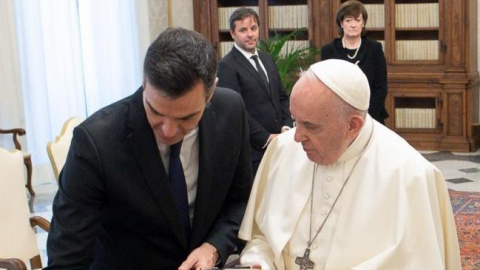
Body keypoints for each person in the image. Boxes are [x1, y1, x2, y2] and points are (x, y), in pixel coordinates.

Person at [45, 27, 253, 270]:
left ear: (210, 93)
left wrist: (213, 248)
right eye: (156, 112)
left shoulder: (231, 111)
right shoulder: (95, 142)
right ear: (144, 83)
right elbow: (67, 258)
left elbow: (240, 201)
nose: (168, 131)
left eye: (186, 118)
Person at [238, 59, 461, 269]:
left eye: (311, 126)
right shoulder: (283, 150)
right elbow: (262, 237)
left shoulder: (410, 176)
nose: (297, 137)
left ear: (353, 125)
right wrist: (261, 262)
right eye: (296, 120)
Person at [217, 7, 293, 176]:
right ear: (232, 33)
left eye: (253, 28)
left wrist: (286, 127)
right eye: (243, 30)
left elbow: (281, 96)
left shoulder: (267, 58)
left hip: (281, 145)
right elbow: (236, 112)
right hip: (254, 152)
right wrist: (266, 138)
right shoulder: (226, 66)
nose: (250, 34)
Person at [321, 0, 389, 124]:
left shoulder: (374, 49)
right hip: (338, 117)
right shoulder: (329, 51)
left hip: (371, 116)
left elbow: (381, 87)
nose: (353, 25)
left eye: (357, 20)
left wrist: (365, 117)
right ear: (341, 24)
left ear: (363, 24)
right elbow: (326, 88)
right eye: (348, 20)